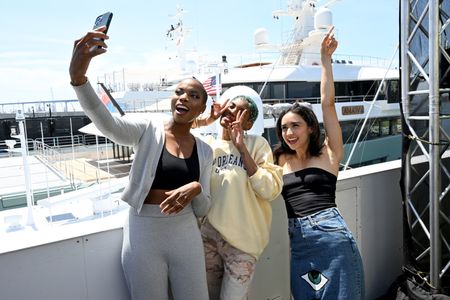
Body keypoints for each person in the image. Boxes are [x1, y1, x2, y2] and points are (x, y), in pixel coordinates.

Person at [69, 26, 212, 300]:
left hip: (185, 232)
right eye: (179, 91)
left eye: (194, 95)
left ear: (202, 109)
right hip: (143, 232)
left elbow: (204, 207)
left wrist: (195, 187)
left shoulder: (205, 151)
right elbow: (109, 125)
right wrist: (79, 80)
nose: (184, 97)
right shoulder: (148, 129)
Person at [273, 27, 365, 299]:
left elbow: (328, 105)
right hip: (298, 242)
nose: (289, 133)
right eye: (284, 128)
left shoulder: (328, 152)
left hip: (331, 235)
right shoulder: (279, 158)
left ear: (311, 128)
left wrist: (326, 60)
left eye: (295, 126)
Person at [193, 92, 283, 300]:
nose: (231, 111)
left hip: (243, 244)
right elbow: (174, 131)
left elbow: (269, 190)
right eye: (230, 106)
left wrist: (242, 148)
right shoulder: (208, 146)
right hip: (209, 237)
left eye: (240, 110)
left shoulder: (257, 145)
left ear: (249, 124)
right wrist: (207, 119)